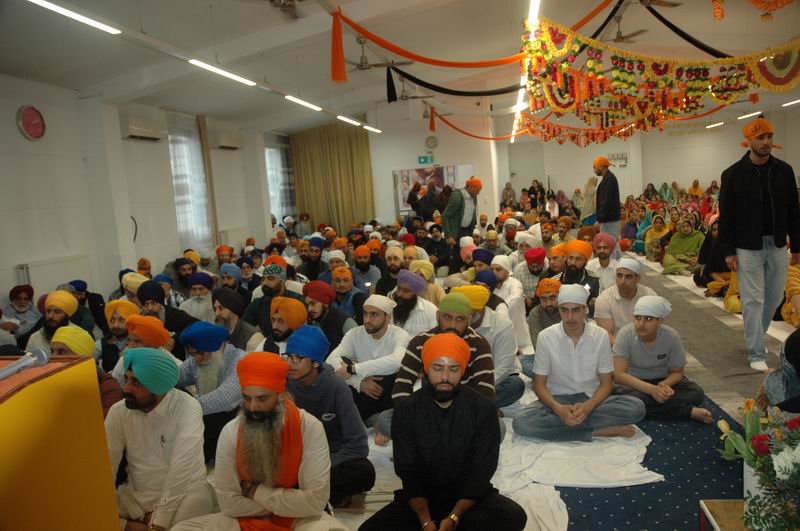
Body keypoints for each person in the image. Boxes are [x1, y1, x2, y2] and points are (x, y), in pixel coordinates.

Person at [359, 333, 527, 531]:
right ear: (425, 370)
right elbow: (410, 475)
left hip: (468, 499)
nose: (445, 377)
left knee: (513, 516)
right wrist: (425, 521)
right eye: (438, 368)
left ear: (462, 371)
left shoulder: (483, 409)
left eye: (453, 369)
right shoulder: (407, 410)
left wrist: (454, 517)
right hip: (421, 500)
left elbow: (480, 475)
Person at [171, 352, 348, 531]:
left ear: (281, 396)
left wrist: (253, 491)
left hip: (300, 520)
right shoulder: (231, 431)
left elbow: (315, 502)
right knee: (182, 529)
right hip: (244, 518)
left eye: (262, 399)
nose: (253, 407)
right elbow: (229, 504)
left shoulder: (309, 427)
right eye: (247, 398)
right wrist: (289, 502)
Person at [512, 284, 646, 442]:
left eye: (576, 310)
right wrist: (559, 410)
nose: (570, 317)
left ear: (585, 310)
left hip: (592, 398)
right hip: (557, 399)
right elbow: (539, 385)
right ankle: (595, 432)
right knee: (521, 422)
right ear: (559, 310)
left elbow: (606, 383)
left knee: (636, 408)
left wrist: (588, 407)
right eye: (564, 310)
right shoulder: (546, 337)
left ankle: (566, 426)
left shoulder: (600, 336)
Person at [718, 117, 800, 371]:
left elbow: (793, 210)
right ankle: (755, 352)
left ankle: (756, 337)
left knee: (774, 297)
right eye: (760, 138)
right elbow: (726, 215)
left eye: (769, 137)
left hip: (778, 244)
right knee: (753, 299)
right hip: (747, 246)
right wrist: (728, 250)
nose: (766, 142)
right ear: (749, 141)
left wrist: (796, 244)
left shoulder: (784, 171)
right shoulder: (732, 175)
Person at [106, 348, 214, 531]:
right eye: (126, 379)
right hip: (135, 497)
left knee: (198, 503)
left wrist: (159, 520)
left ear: (158, 386)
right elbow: (106, 464)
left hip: (183, 494)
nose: (126, 389)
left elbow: (181, 469)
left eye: (136, 382)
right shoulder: (118, 412)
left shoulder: (187, 408)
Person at [285, 326, 376, 508]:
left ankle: (306, 495)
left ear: (315, 363)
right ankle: (321, 496)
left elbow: (358, 444)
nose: (290, 363)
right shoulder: (285, 384)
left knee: (364, 472)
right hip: (298, 458)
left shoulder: (336, 387)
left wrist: (320, 465)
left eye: (298, 358)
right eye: (288, 356)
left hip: (331, 459)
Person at [612, 295, 712, 423]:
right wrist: (651, 390)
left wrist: (663, 386)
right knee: (628, 399)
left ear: (659, 321)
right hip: (633, 383)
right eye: (637, 318)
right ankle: (688, 412)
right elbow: (619, 375)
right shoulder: (625, 334)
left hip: (662, 380)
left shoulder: (671, 336)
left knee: (696, 393)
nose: (641, 324)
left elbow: (677, 372)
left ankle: (655, 407)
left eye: (648, 319)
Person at [327, 295, 410, 427]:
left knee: (390, 375)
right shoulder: (354, 334)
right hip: (363, 394)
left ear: (388, 317)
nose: (367, 320)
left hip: (388, 393)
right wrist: (358, 382)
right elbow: (330, 361)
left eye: (374, 315)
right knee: (336, 373)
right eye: (365, 314)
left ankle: (379, 421)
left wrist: (354, 369)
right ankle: (369, 421)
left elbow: (397, 361)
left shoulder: (399, 334)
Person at [178, 321, 246, 463]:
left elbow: (227, 398)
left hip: (232, 425)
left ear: (217, 346)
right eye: (192, 354)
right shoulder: (197, 358)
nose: (197, 359)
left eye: (200, 353)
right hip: (204, 422)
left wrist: (187, 407)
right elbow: (175, 377)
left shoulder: (240, 359)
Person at [453, 285, 524, 409]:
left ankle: (467, 406)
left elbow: (502, 368)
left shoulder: (502, 325)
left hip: (495, 379)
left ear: (480, 308)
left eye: (468, 311)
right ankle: (482, 407)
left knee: (515, 385)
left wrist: (476, 389)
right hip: (463, 378)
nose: (463, 315)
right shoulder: (455, 323)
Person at [51, 326, 123, 417]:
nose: (53, 358)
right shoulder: (49, 382)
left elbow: (102, 423)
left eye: (61, 352)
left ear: (81, 356)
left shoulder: (107, 387)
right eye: (52, 351)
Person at [594, 258, 657, 344]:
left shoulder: (649, 296)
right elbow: (607, 335)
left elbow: (654, 328)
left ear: (638, 278)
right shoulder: (604, 299)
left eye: (628, 277)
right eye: (619, 275)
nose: (622, 281)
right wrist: (627, 349)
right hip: (616, 346)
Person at [137, 280, 198, 360]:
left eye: (153, 303)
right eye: (146, 304)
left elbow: (196, 325)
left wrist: (175, 339)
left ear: (161, 302)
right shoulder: (139, 320)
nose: (150, 308)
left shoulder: (174, 315)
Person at [491, 255, 534, 355]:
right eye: (492, 269)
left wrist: (496, 312)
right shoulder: (490, 286)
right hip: (499, 334)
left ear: (507, 270)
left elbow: (515, 298)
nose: (494, 272)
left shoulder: (515, 283)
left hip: (520, 334)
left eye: (498, 269)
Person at [523, 278, 562, 377]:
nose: (548, 303)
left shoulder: (568, 309)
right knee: (521, 361)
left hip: (570, 356)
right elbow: (538, 347)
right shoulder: (535, 314)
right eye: (544, 299)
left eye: (552, 298)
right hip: (547, 359)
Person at [555, 240, 600, 317]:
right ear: (566, 259)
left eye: (578, 259)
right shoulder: (556, 280)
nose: (573, 262)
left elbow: (598, 308)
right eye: (570, 258)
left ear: (585, 262)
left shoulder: (594, 280)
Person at [94, 299, 139, 372]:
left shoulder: (141, 342)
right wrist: (104, 376)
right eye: (112, 320)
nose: (116, 325)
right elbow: (87, 362)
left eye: (121, 320)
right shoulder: (103, 343)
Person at [391, 270, 438, 338]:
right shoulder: (389, 307)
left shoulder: (430, 310)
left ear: (416, 293)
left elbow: (434, 337)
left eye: (406, 291)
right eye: (399, 289)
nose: (400, 294)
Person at [593, 156, 622, 258]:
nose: (594, 170)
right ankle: (617, 262)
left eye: (595, 167)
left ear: (601, 166)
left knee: (609, 243)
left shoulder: (609, 179)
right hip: (609, 218)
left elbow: (606, 201)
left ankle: (614, 264)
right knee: (613, 242)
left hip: (609, 219)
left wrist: (600, 219)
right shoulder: (608, 178)